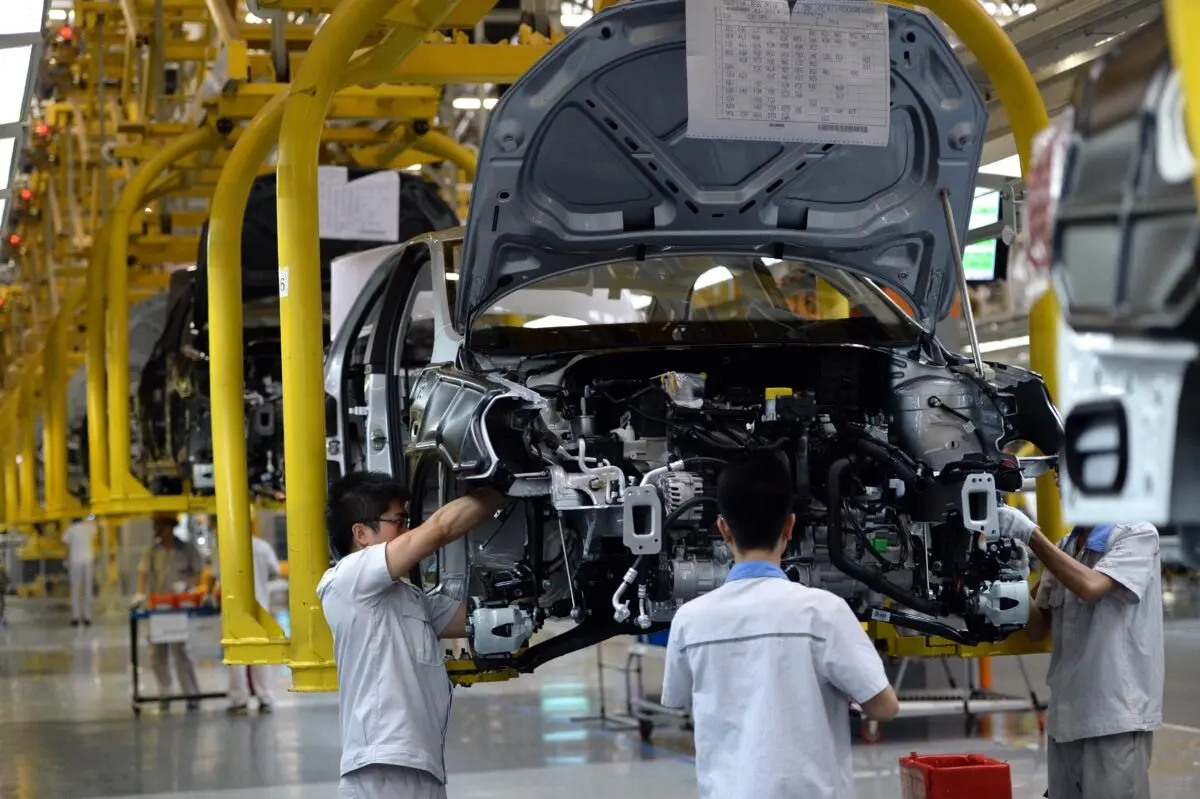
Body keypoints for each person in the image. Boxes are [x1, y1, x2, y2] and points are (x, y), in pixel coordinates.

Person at [661, 453, 900, 799]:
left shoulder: (690, 620)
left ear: (723, 529)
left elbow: (678, 697)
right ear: (789, 526)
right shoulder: (824, 613)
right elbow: (885, 707)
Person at [319, 471, 506, 799]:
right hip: (383, 768)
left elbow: (472, 619)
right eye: (399, 521)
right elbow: (440, 529)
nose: (408, 531)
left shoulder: (409, 597)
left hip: (422, 767)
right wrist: (508, 486)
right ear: (361, 533)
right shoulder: (347, 580)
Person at [998, 503, 1163, 799]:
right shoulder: (1067, 547)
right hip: (1065, 718)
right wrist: (1014, 581)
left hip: (1113, 719)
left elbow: (1090, 585)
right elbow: (1038, 630)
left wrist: (1030, 534)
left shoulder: (1136, 533)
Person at [134, 512, 205, 711]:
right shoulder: (152, 551)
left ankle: (192, 694)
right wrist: (140, 595)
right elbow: (142, 573)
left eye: (157, 525)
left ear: (167, 527)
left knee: (182, 651)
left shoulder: (187, 549)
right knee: (158, 653)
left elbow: (199, 575)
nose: (154, 530)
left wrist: (185, 584)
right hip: (158, 609)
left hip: (179, 608)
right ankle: (165, 692)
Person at [221, 528, 283, 714]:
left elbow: (216, 577)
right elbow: (275, 572)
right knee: (260, 653)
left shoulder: (226, 547)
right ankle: (265, 697)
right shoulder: (263, 547)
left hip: (235, 608)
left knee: (237, 653)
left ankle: (239, 700)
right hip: (259, 606)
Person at [62, 515, 97, 626]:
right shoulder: (89, 527)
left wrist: (66, 560)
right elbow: (96, 526)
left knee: (75, 589)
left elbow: (67, 546)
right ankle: (87, 617)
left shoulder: (70, 529)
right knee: (88, 589)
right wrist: (91, 518)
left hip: (75, 561)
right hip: (88, 560)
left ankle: (75, 617)